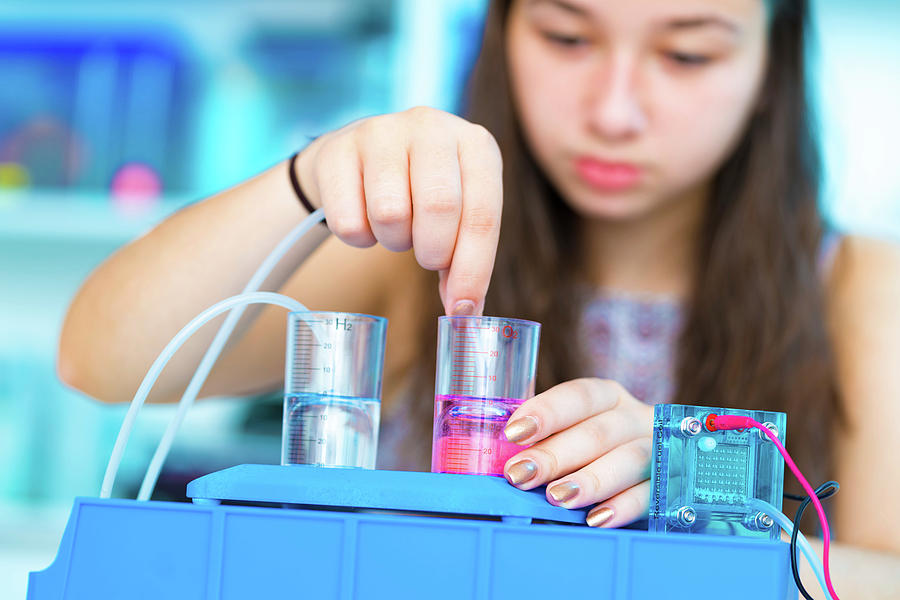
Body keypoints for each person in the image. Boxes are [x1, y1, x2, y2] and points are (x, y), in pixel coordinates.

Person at [59, 0, 900, 595]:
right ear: (502, 30)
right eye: (567, 35)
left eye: (687, 54)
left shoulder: (864, 287)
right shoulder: (409, 259)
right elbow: (103, 359)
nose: (613, 109)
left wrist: (724, 522)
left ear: (770, 65)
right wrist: (306, 178)